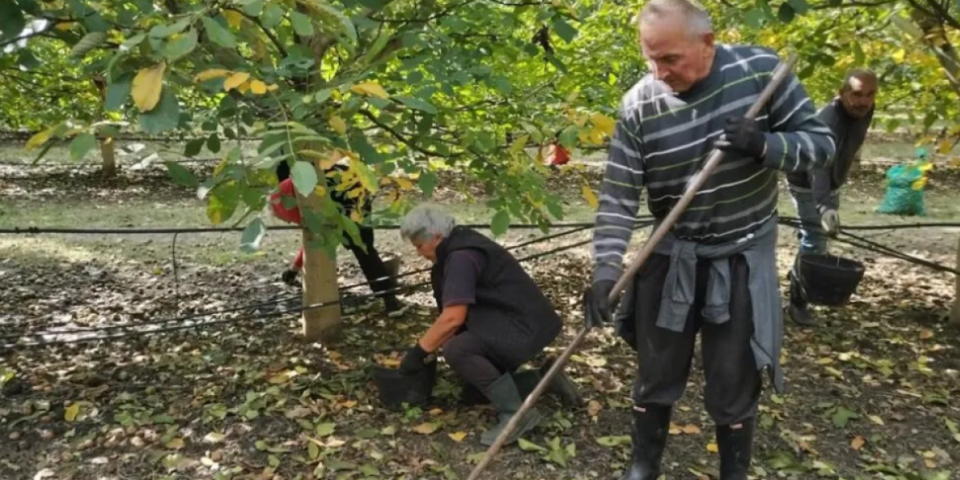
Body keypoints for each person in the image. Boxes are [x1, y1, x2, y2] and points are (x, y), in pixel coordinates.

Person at [581, 1, 836, 479]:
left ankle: (733, 472)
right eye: (650, 58)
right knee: (655, 372)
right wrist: (605, 272)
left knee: (733, 377)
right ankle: (643, 468)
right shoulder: (639, 105)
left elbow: (821, 146)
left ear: (707, 44)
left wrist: (764, 145)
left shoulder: (760, 73)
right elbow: (617, 198)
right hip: (672, 248)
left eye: (671, 59)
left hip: (741, 251)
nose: (659, 72)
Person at [396, 204, 582, 446]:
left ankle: (516, 417)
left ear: (437, 237)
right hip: (515, 321)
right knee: (474, 391)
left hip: (521, 327)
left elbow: (453, 318)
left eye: (420, 247)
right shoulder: (458, 245)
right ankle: (544, 379)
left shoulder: (461, 257)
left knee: (456, 350)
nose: (419, 253)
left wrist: (418, 352)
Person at [786, 68, 878, 327]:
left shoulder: (866, 110)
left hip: (831, 182)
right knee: (816, 242)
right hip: (806, 181)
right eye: (857, 94)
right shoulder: (827, 121)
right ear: (842, 93)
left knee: (815, 237)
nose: (864, 101)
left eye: (870, 95)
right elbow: (818, 168)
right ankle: (797, 300)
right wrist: (825, 206)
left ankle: (798, 275)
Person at [271, 161, 403, 315]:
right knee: (364, 249)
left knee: (362, 248)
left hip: (344, 192)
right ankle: (389, 299)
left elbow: (315, 237)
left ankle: (388, 298)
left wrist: (294, 269)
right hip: (352, 184)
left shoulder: (294, 205)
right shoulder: (289, 188)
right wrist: (295, 268)